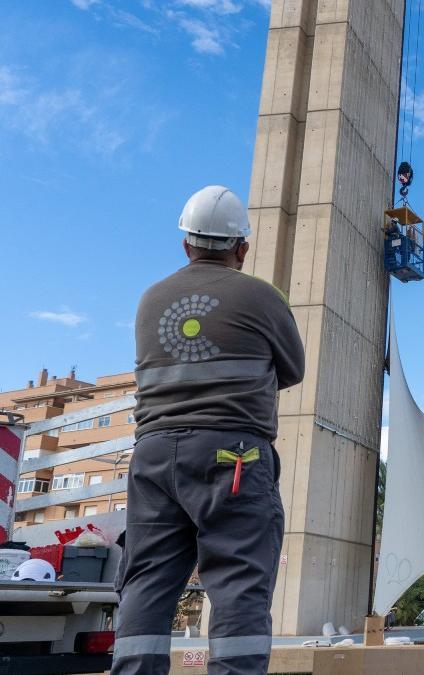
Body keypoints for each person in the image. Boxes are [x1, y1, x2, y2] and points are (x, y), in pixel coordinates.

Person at [112, 186, 305, 675]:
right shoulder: (262, 297)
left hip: (153, 454)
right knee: (239, 579)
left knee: (148, 580)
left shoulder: (150, 299)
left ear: (186, 244)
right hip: (231, 456)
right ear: (242, 248)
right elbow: (293, 370)